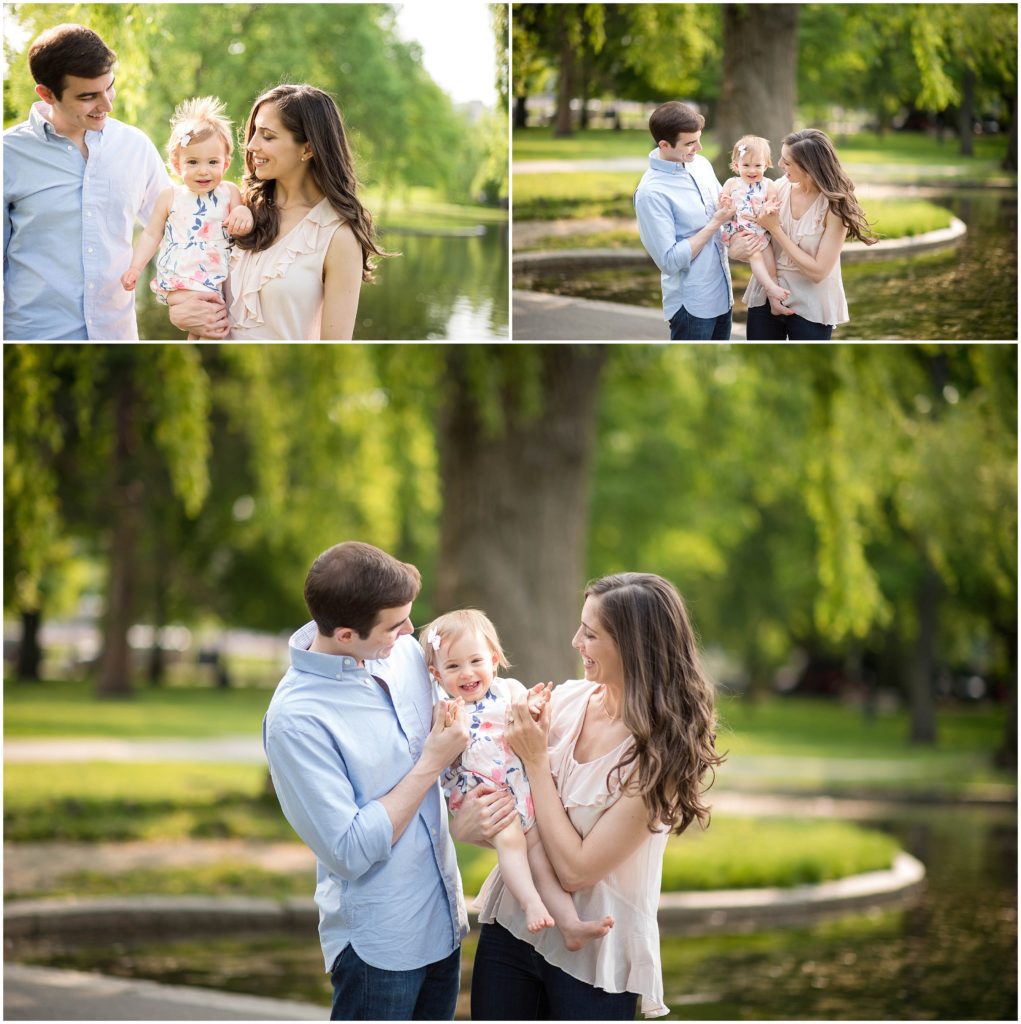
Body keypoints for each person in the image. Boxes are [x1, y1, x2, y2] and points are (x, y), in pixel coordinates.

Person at [263, 541, 515, 1020]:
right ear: (343, 633)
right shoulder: (296, 720)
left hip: (443, 921)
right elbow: (351, 850)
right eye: (395, 625)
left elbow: (479, 695)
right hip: (380, 945)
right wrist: (430, 761)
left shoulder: (398, 654)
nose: (411, 634)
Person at [464, 573, 725, 1021]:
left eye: (590, 633)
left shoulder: (661, 755)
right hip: (514, 927)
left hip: (595, 959)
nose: (575, 641)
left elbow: (576, 870)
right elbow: (491, 809)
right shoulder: (564, 702)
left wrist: (535, 763)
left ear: (633, 646)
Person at [421, 609, 614, 950]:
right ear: (436, 674)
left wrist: (536, 704)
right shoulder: (447, 709)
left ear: (494, 660)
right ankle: (530, 903)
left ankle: (571, 925)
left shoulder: (508, 690)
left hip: (520, 789)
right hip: (485, 796)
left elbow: (527, 714)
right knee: (511, 843)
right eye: (452, 667)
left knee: (539, 855)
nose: (467, 673)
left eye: (475, 661)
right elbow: (441, 753)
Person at [168, 84, 385, 339]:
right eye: (254, 133)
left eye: (267, 136)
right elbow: (185, 270)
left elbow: (334, 348)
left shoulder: (337, 235)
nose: (250, 146)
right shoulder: (235, 207)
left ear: (307, 148)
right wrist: (178, 312)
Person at [3, 23, 170, 340]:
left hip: (117, 337)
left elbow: (176, 226)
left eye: (110, 87)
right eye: (88, 96)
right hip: (35, 340)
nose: (107, 105)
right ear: (47, 94)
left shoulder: (135, 147)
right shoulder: (8, 155)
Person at [120, 96, 253, 340]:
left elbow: (243, 224)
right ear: (177, 164)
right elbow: (151, 234)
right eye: (192, 162)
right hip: (180, 280)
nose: (203, 170)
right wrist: (135, 267)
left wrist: (243, 213)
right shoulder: (170, 196)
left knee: (211, 329)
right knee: (207, 325)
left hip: (216, 278)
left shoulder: (229, 193)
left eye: (212, 162)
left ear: (225, 164)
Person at [634, 100, 764, 341]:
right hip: (691, 306)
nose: (700, 148)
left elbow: (726, 212)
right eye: (690, 143)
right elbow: (670, 261)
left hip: (723, 297)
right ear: (664, 144)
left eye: (699, 139)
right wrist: (714, 223)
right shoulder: (651, 193)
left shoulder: (700, 165)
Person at [744, 128, 877, 340]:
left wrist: (776, 229)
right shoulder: (776, 189)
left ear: (808, 168)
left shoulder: (834, 206)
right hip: (767, 295)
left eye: (787, 162)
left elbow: (818, 272)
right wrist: (771, 289)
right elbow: (751, 238)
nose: (779, 165)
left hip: (812, 304)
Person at [719, 135, 791, 315]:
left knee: (771, 266)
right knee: (755, 256)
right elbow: (722, 201)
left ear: (766, 165)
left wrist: (768, 207)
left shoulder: (768, 185)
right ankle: (771, 288)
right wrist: (725, 202)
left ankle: (775, 304)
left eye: (757, 166)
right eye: (746, 166)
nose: (752, 171)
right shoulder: (732, 183)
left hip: (760, 232)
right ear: (736, 165)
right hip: (739, 230)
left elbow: (773, 203)